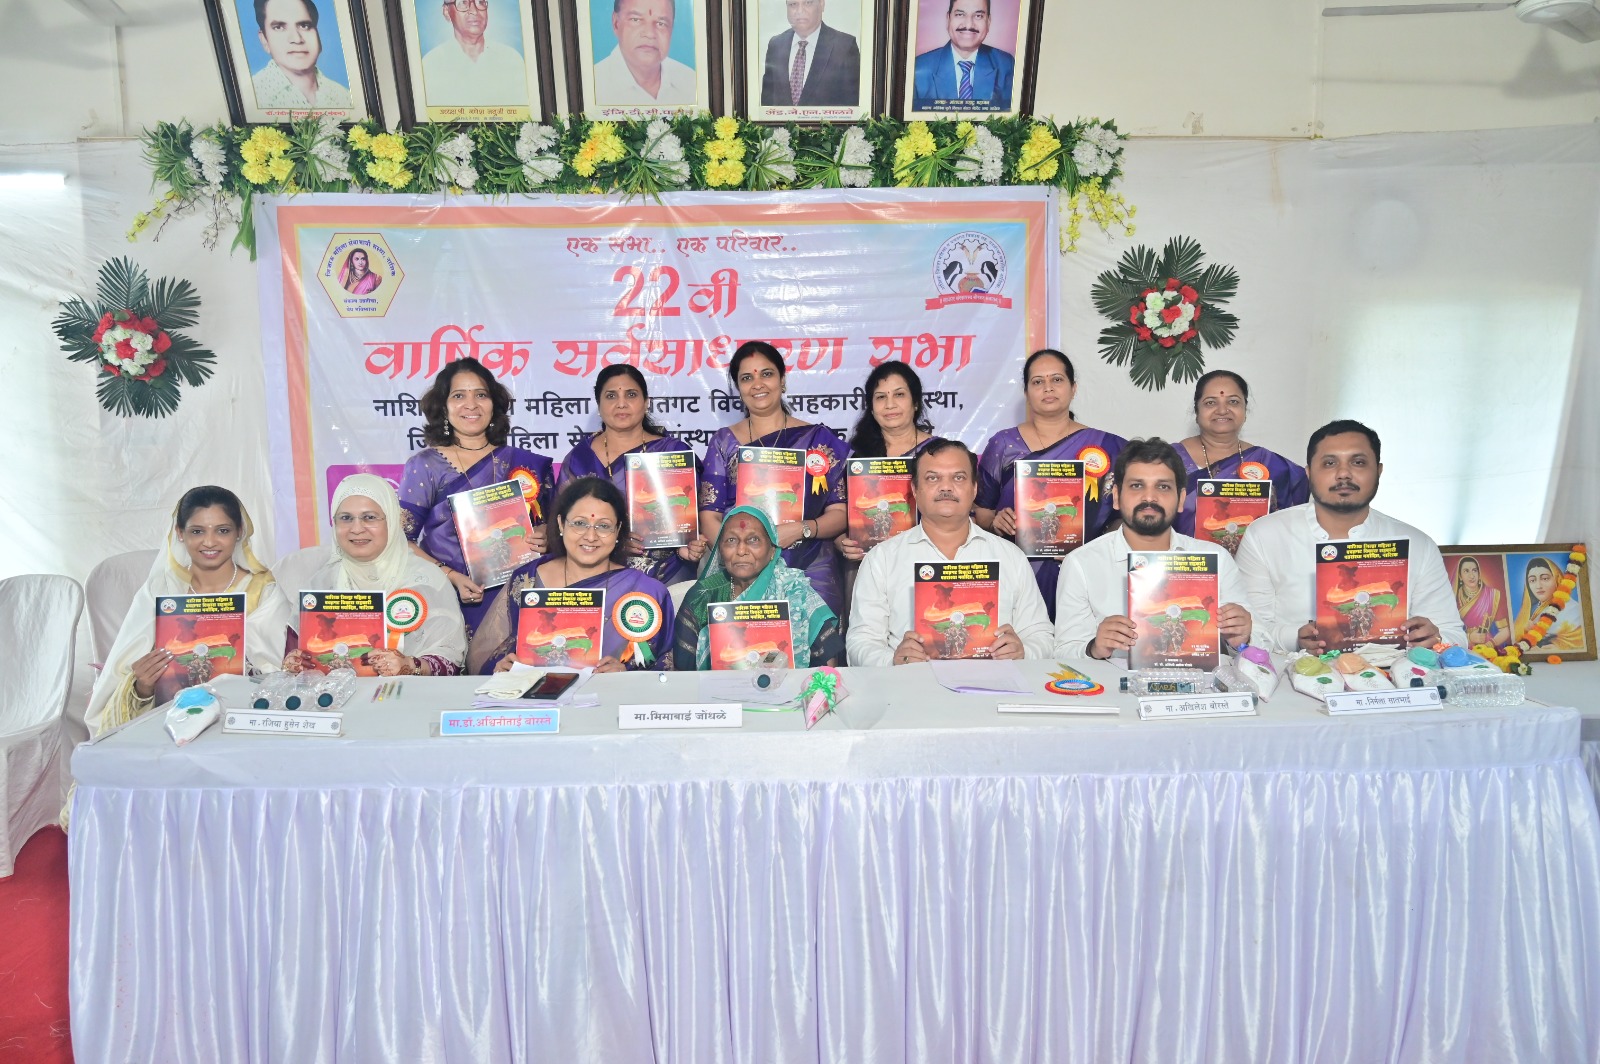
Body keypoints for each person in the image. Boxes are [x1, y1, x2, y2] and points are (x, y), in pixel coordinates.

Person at [1234, 419, 1467, 655]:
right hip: (1292, 675)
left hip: (1393, 675)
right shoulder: (1265, 535)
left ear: (1378, 471)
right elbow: (1250, 632)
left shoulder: (1417, 544)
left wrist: (1434, 638)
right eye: (1329, 463)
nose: (1343, 474)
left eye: (1358, 462)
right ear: (1309, 473)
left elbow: (1454, 635)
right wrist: (1296, 638)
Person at [85, 486, 289, 736]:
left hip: (242, 725)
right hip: (167, 727)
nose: (209, 542)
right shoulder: (160, 590)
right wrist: (142, 687)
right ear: (180, 533)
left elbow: (276, 672)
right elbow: (124, 674)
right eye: (197, 531)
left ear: (239, 532)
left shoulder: (263, 592)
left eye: (222, 530)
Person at [848, 438, 1053, 666]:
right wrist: (892, 661)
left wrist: (1024, 651)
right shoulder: (882, 559)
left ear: (974, 489)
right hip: (911, 684)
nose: (946, 487)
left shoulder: (1010, 556)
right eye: (932, 478)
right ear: (915, 490)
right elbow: (861, 641)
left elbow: (1041, 635)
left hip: (995, 684)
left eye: (958, 478)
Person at [1054, 438, 1254, 661]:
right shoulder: (1082, 563)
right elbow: (1063, 651)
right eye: (1137, 486)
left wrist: (1243, 637)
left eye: (1163, 487)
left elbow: (1259, 643)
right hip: (1112, 683)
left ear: (1181, 499)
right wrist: (1094, 648)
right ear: (1117, 497)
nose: (1149, 497)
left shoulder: (1216, 559)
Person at [398, 357, 554, 635]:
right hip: (449, 598)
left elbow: (559, 526)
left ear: (494, 404)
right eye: (459, 396)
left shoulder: (525, 465)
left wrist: (547, 535)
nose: (471, 405)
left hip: (520, 598)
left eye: (481, 395)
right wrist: (450, 576)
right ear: (443, 407)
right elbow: (401, 541)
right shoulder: (425, 466)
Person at [700, 340, 850, 614]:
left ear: (782, 380)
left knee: (817, 637)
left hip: (810, 564)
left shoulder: (817, 440)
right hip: (742, 568)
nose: (757, 384)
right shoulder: (724, 442)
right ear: (738, 389)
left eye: (766, 374)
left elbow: (839, 513)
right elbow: (710, 515)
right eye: (747, 378)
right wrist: (738, 555)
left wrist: (802, 528)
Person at [975, 349, 1126, 618]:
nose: (1048, 388)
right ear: (1026, 392)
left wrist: (1095, 546)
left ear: (1073, 388)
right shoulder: (1003, 445)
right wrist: (997, 521)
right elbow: (981, 514)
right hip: (1019, 575)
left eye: (1057, 379)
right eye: (1037, 381)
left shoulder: (1108, 446)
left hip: (1086, 573)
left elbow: (1123, 517)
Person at [469, 477, 676, 673]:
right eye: (579, 523)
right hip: (536, 697)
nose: (591, 536)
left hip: (610, 696)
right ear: (561, 524)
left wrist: (626, 673)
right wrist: (502, 667)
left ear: (618, 530)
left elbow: (664, 666)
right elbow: (484, 659)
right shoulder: (527, 579)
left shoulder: (644, 591)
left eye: (604, 526)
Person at [281, 474, 467, 675]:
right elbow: (296, 652)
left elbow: (450, 661)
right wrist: (294, 664)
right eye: (346, 518)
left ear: (391, 521)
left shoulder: (426, 580)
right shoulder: (320, 583)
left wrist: (410, 665)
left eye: (369, 517)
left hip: (409, 693)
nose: (356, 529)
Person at [556, 364, 708, 585]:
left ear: (646, 402)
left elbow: (690, 521)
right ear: (599, 405)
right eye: (611, 396)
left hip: (667, 575)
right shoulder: (579, 458)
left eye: (631, 395)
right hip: (593, 574)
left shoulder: (672, 452)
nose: (621, 403)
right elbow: (562, 523)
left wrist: (689, 545)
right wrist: (614, 538)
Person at [674, 506, 843, 669]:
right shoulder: (703, 595)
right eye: (731, 540)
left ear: (772, 550)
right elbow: (683, 670)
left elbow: (828, 665)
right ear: (720, 548)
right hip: (715, 688)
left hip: (791, 687)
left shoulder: (795, 590)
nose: (741, 550)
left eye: (753, 540)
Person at [1173, 369, 1309, 538]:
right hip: (1185, 554)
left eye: (1233, 401)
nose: (1222, 410)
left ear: (1245, 410)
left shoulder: (1267, 462)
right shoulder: (1170, 459)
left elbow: (1294, 505)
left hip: (1255, 554)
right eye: (1210, 402)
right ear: (1197, 411)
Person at [836, 361, 939, 563]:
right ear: (871, 408)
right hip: (868, 563)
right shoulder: (856, 457)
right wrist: (841, 542)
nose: (890, 404)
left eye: (899, 394)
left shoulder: (939, 452)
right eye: (881, 397)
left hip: (926, 562)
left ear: (915, 402)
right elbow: (838, 511)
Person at [421, 0, 529, 107]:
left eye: (480, 2)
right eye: (463, 2)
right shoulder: (430, 65)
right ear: (446, 12)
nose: (474, 11)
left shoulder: (511, 59)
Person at [911, 0, 1014, 111]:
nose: (968, 25)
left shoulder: (1007, 66)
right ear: (948, 19)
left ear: (988, 22)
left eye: (978, 16)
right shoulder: (918, 69)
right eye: (960, 14)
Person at [249, 0, 353, 110]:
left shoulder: (345, 97)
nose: (297, 39)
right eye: (279, 27)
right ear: (264, 40)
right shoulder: (252, 96)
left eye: (304, 26)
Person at [759, 0, 860, 107]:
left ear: (821, 4)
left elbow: (852, 106)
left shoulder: (845, 47)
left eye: (808, 3)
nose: (800, 11)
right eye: (793, 4)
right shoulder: (776, 45)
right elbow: (767, 103)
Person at [594, 0, 696, 105]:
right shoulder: (594, 86)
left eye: (661, 23)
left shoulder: (691, 82)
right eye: (636, 20)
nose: (650, 34)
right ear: (616, 23)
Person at [1511, 555, 1585, 651]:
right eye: (1532, 580)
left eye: (1545, 578)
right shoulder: (1532, 609)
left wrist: (1558, 646)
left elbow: (1580, 641)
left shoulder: (1573, 609)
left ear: (1558, 579)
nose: (1538, 586)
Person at [1454, 555, 1509, 649]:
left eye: (1474, 570)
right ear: (1460, 576)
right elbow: (1446, 632)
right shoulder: (1453, 598)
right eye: (1466, 571)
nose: (1471, 576)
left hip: (1487, 648)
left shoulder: (1492, 595)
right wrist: (1469, 638)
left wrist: (1490, 645)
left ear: (1479, 574)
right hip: (1461, 649)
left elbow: (1505, 631)